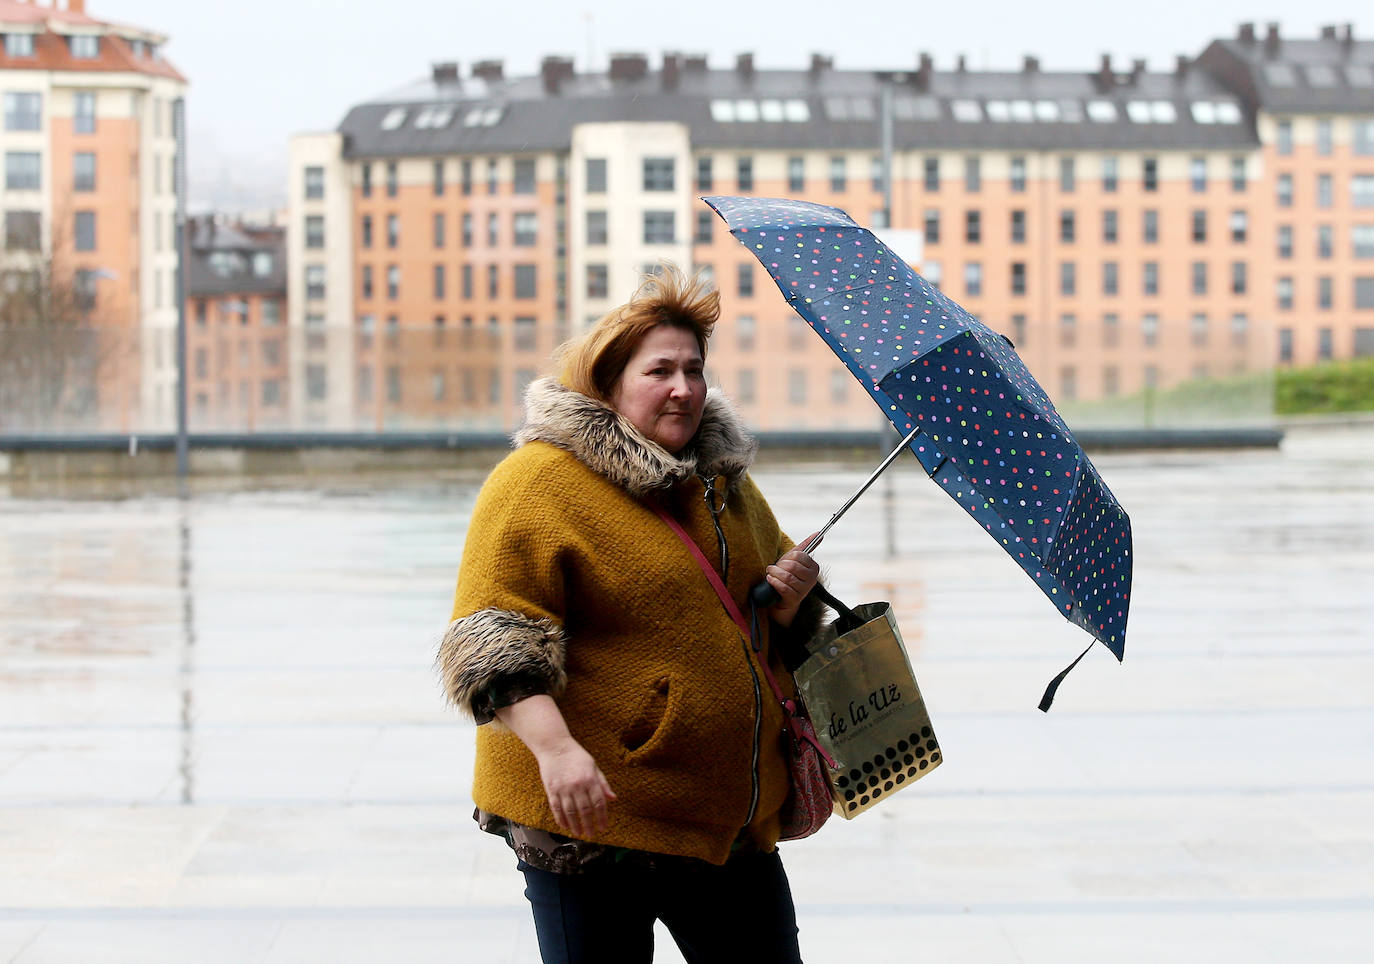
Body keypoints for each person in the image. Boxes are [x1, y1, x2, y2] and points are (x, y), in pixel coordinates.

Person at [438, 263, 826, 963]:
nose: (683, 388)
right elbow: (494, 651)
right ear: (610, 381)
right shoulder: (536, 483)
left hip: (722, 819)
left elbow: (759, 624)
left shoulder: (724, 484)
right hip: (590, 825)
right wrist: (557, 752)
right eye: (659, 371)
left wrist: (792, 602)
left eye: (694, 369)